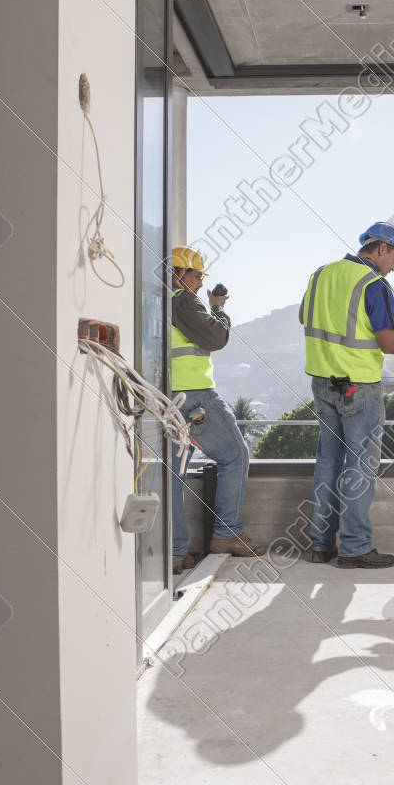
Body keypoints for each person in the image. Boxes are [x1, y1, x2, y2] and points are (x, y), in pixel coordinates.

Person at [300, 223, 394, 569]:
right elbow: (390, 343)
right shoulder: (374, 285)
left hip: (323, 383)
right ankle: (354, 548)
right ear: (381, 249)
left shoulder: (321, 274)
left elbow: (304, 317)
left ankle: (320, 546)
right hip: (357, 387)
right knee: (360, 466)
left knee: (328, 462)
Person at [167, 246, 266, 574]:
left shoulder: (159, 302)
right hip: (194, 397)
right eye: (196, 275)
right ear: (179, 274)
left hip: (171, 397)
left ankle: (176, 552)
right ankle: (227, 534)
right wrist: (219, 311)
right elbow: (215, 337)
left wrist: (210, 305)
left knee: (174, 476)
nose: (198, 283)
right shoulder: (181, 299)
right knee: (235, 455)